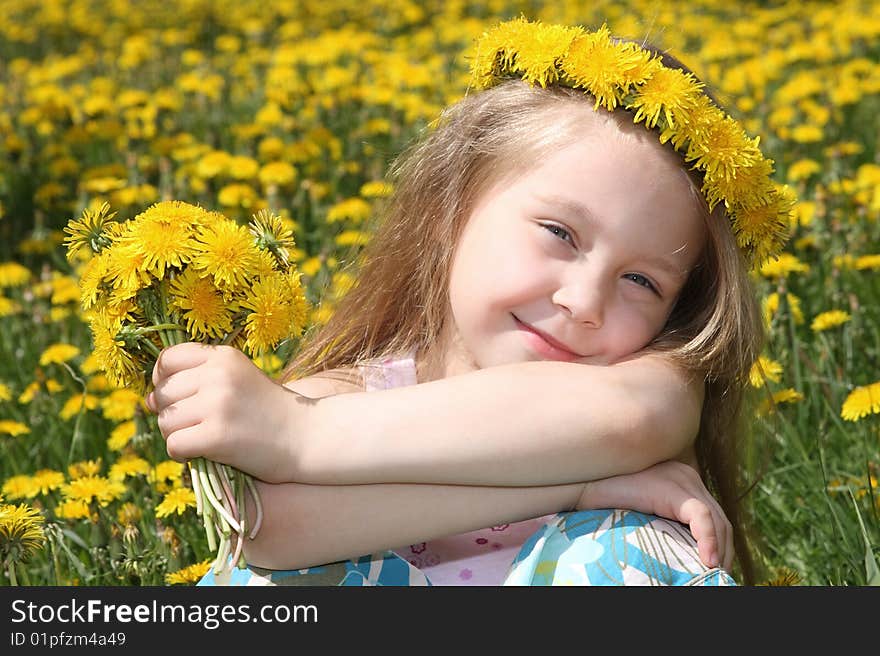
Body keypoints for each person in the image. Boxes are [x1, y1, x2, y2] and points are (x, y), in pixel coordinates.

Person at [145, 18, 792, 586]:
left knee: (632, 548)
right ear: (449, 213)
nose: (584, 301)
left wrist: (297, 434)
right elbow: (266, 528)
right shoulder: (354, 392)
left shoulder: (648, 385)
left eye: (642, 282)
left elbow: (631, 418)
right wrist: (579, 483)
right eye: (560, 234)